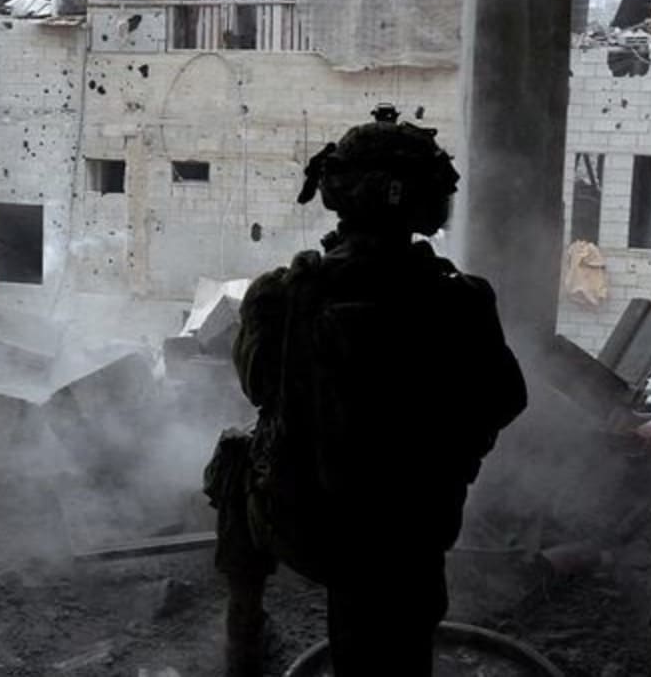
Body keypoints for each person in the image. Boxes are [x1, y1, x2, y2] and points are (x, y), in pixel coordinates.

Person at [205, 104, 527, 676]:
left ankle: (244, 634)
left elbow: (257, 387)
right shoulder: (463, 300)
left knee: (236, 457)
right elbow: (506, 400)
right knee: (399, 633)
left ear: (336, 193)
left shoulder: (282, 293)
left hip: (307, 528)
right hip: (414, 538)